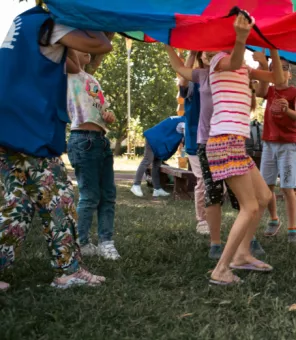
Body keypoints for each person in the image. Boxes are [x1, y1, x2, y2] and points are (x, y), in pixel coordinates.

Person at [0, 6, 112, 290]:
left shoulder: (24, 23)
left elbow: (70, 64)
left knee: (22, 204)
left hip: (10, 125)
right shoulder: (51, 26)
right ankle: (69, 270)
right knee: (53, 201)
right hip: (28, 129)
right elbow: (102, 44)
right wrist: (100, 15)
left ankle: (68, 270)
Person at [164, 47, 265, 260]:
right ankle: (216, 244)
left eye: (217, 49)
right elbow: (181, 73)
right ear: (201, 56)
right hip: (207, 141)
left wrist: (263, 60)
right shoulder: (202, 75)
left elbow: (261, 83)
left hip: (232, 139)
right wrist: (169, 45)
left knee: (244, 197)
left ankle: (246, 240)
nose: (211, 53)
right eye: (206, 52)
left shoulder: (236, 73)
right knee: (214, 192)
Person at [207, 13, 285, 285]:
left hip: (235, 143)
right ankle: (221, 268)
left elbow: (279, 77)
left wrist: (273, 47)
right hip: (224, 141)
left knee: (263, 197)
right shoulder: (217, 60)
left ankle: (242, 255)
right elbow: (236, 59)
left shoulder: (244, 69)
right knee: (250, 207)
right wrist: (241, 39)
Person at [65, 49, 120, 260]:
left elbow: (105, 110)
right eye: (79, 45)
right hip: (82, 139)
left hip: (101, 140)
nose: (85, 47)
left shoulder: (93, 80)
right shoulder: (68, 74)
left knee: (108, 195)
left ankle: (106, 242)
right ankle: (83, 242)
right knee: (89, 196)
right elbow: (64, 46)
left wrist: (109, 115)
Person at [253, 50, 296, 243]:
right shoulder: (270, 91)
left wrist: (287, 109)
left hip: (288, 145)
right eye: (274, 68)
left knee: (287, 187)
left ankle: (292, 227)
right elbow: (259, 91)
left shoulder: (295, 92)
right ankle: (274, 219)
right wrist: (262, 65)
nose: (279, 72)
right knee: (267, 187)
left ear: (290, 74)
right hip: (268, 143)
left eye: (283, 68)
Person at [170, 50, 209, 234]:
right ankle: (202, 220)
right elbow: (183, 83)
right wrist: (192, 54)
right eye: (205, 53)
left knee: (219, 182)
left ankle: (211, 216)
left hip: (217, 138)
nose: (209, 55)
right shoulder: (194, 80)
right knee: (202, 180)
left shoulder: (220, 79)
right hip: (195, 140)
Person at [131, 116, 186, 198]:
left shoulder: (180, 119)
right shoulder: (185, 122)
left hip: (158, 141)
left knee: (156, 165)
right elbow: (186, 136)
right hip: (154, 139)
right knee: (147, 160)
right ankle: (136, 185)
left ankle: (157, 189)